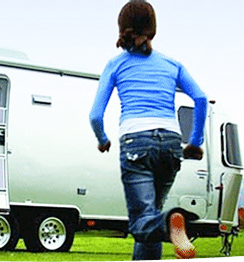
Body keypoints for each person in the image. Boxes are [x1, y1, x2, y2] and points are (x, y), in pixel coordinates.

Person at [88, 1, 208, 259]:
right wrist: (195, 141)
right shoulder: (171, 64)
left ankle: (170, 222)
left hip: (136, 142)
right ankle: (166, 223)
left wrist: (102, 140)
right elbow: (200, 99)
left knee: (144, 222)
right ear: (153, 29)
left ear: (121, 27)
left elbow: (96, 115)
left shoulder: (115, 64)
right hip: (171, 143)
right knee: (150, 213)